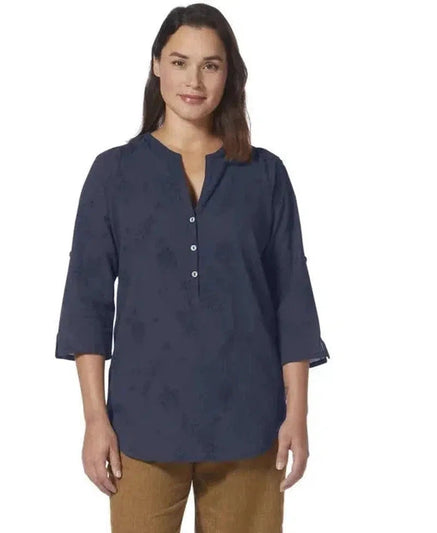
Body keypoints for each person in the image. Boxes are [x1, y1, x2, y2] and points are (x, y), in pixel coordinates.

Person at [54, 3, 330, 532]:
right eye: (180, 62)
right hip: (141, 427)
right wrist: (94, 420)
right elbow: (87, 303)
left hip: (251, 424)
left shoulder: (265, 175)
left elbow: (292, 299)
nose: (194, 81)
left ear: (230, 74)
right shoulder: (113, 174)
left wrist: (297, 414)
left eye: (211, 65)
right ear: (156, 65)